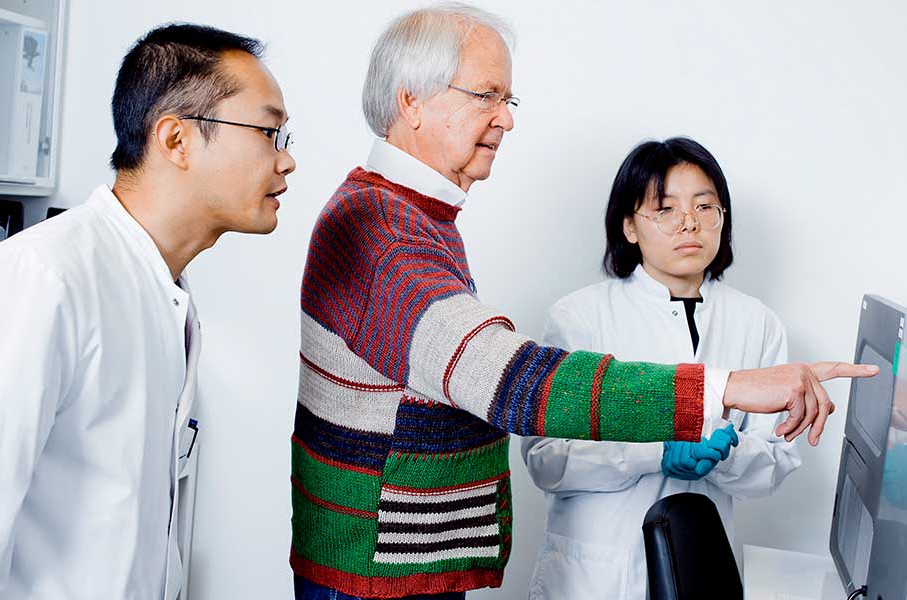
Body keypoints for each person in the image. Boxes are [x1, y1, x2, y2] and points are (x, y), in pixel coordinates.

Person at [289, 4, 872, 599]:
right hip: (371, 569)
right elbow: (504, 378)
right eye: (487, 95)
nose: (506, 120)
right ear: (410, 100)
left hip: (396, 557)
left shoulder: (420, 218)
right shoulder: (378, 225)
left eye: (507, 100)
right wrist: (722, 390)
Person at [0, 23, 295, 599]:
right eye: (269, 132)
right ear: (175, 140)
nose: (286, 161)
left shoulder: (159, 288)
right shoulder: (38, 284)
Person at [521, 137, 801, 599]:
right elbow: (546, 460)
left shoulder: (758, 323)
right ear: (630, 226)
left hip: (700, 567)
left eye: (705, 206)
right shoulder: (579, 318)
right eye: (665, 209)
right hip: (596, 576)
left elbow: (777, 460)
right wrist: (651, 453)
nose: (689, 223)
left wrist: (726, 457)